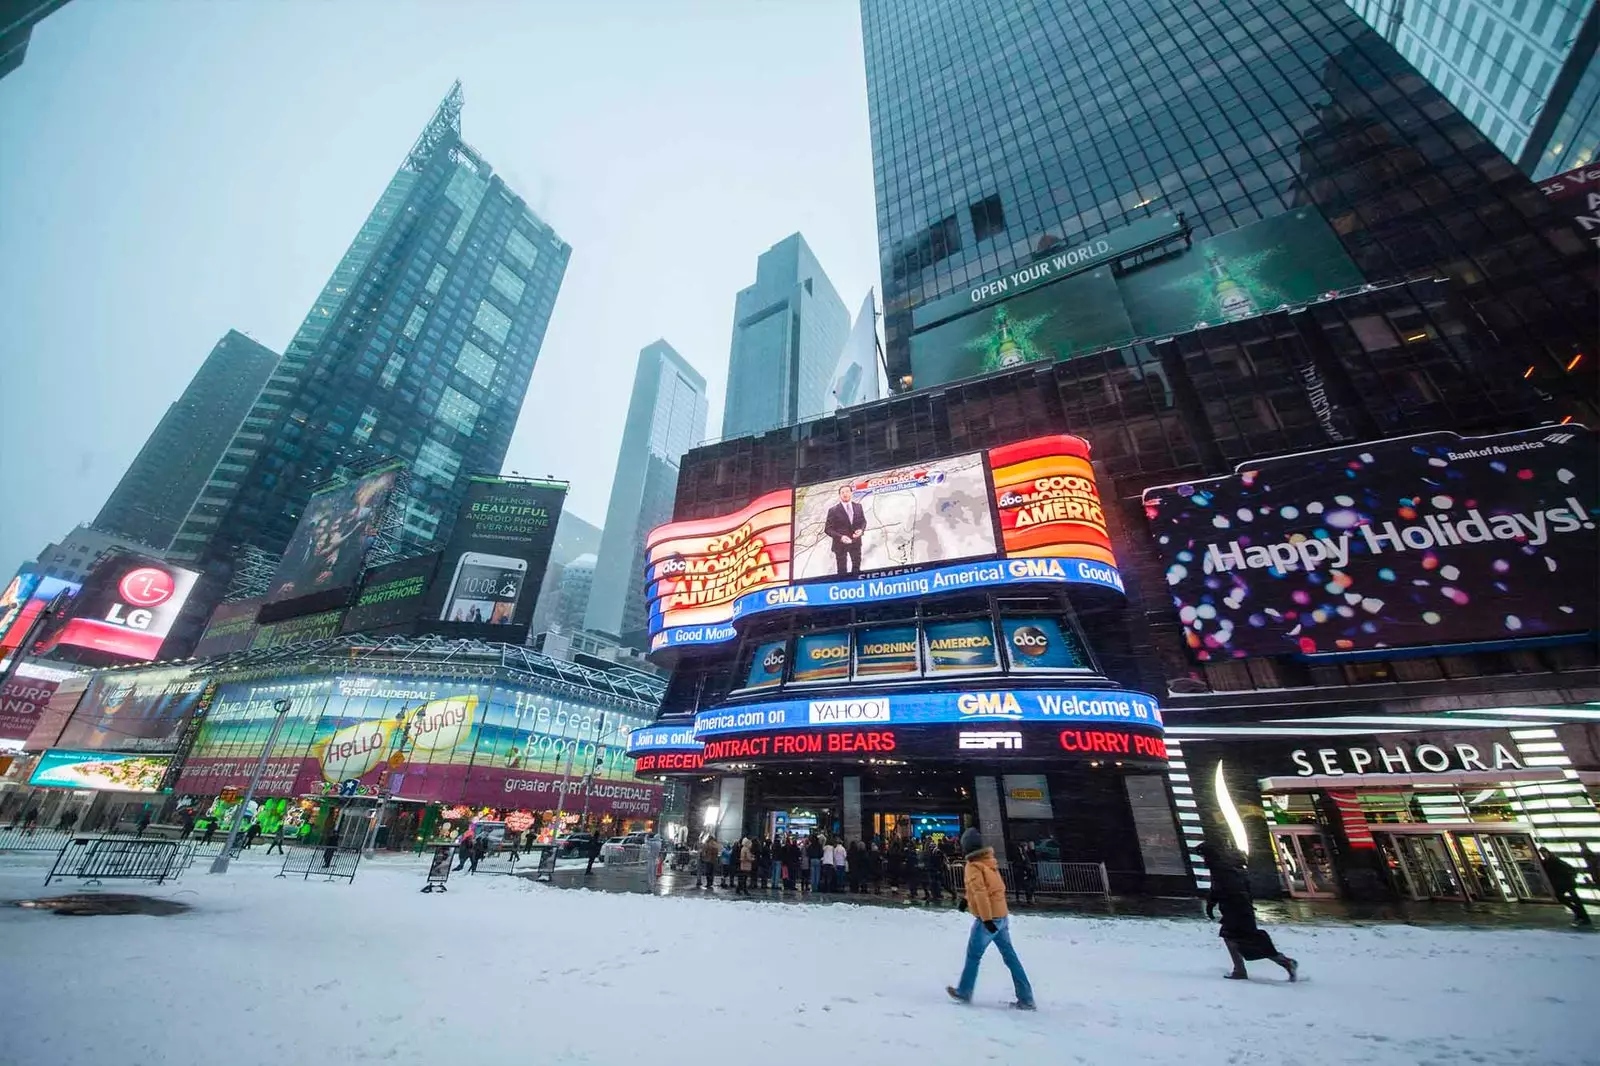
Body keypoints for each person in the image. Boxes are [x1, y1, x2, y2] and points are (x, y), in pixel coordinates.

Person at [946, 828, 1035, 1010]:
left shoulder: (972, 866)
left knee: (973, 955)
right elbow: (992, 889)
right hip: (1001, 917)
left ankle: (964, 991)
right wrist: (965, 901)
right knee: (1010, 957)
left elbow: (981, 894)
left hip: (988, 919)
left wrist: (986, 920)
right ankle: (1026, 998)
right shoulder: (989, 862)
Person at [1200, 842, 1298, 981]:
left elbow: (1220, 889)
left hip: (1236, 911)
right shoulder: (1228, 867)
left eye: (1203, 856)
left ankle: (1283, 963)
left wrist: (1211, 904)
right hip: (1240, 910)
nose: (1203, 859)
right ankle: (1243, 969)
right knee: (1242, 939)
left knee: (1244, 939)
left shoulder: (1221, 869)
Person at [1539, 847, 1592, 926]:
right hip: (1563, 883)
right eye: (1542, 854)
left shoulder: (1555, 860)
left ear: (1547, 852)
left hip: (1566, 883)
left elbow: (1568, 869)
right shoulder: (1547, 862)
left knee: (1574, 900)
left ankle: (1582, 916)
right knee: (1570, 899)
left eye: (1544, 853)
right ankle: (1580, 914)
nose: (1543, 855)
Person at [823, 484, 867, 576]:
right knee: (842, 570)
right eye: (842, 492)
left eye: (847, 491)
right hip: (840, 545)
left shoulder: (858, 507)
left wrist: (861, 530)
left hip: (856, 542)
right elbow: (828, 529)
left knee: (856, 568)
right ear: (840, 495)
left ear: (851, 493)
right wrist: (841, 537)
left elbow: (863, 521)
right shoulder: (833, 510)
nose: (845, 494)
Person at [903, 837, 923, 902]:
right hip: (913, 868)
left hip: (911, 868)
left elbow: (907, 859)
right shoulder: (914, 853)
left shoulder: (909, 853)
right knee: (913, 881)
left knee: (912, 881)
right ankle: (914, 892)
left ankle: (913, 892)